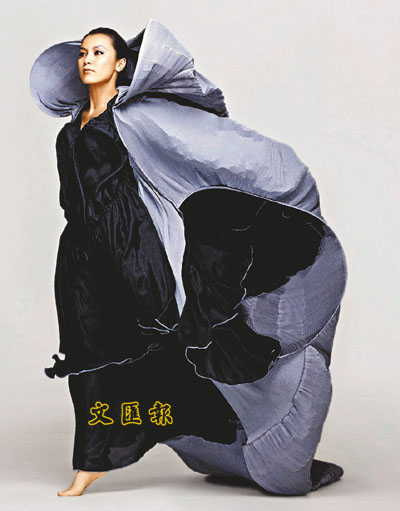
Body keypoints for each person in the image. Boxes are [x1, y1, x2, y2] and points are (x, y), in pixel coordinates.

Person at [30, 19, 348, 497]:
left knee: (188, 346)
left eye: (98, 52)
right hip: (85, 261)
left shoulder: (139, 114)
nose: (87, 60)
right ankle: (92, 463)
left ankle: (265, 450)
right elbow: (73, 202)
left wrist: (289, 189)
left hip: (139, 252)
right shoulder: (68, 135)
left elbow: (233, 153)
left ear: (120, 63)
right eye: (83, 53)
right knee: (95, 361)